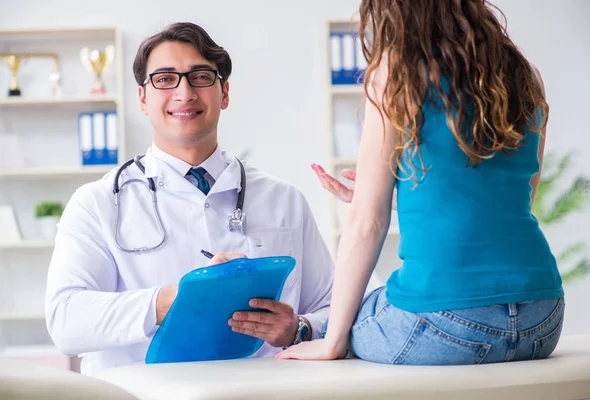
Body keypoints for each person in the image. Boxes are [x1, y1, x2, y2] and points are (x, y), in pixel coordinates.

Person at [277, 0, 564, 365]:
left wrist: (332, 342)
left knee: (347, 321)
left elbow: (368, 223)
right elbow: (514, 199)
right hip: (543, 317)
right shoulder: (526, 74)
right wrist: (396, 199)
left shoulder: (394, 74)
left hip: (448, 323)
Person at [45, 22, 333, 375]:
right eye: (165, 79)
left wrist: (298, 328)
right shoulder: (98, 203)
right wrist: (173, 299)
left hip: (260, 392)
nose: (184, 93)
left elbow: (334, 308)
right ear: (143, 99)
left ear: (224, 93)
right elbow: (65, 320)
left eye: (200, 77)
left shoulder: (283, 200)